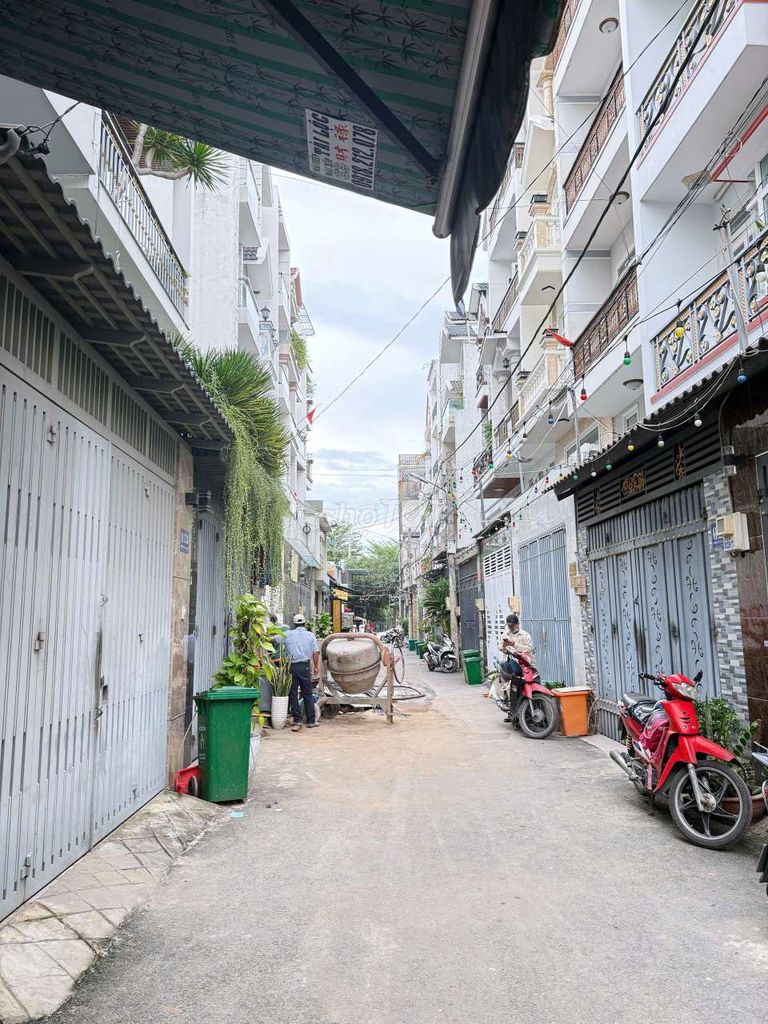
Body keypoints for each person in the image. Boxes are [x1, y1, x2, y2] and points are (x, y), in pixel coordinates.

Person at [280, 613, 321, 732]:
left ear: (294, 624)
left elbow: (275, 640)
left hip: (292, 667)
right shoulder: (310, 635)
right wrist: (316, 667)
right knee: (307, 693)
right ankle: (311, 721)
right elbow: (315, 652)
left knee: (292, 693)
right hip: (305, 667)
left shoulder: (287, 634)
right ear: (305, 623)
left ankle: (297, 720)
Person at [498, 614, 536, 721]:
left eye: (512, 625)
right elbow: (500, 647)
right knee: (511, 688)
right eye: (509, 626)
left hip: (525, 665)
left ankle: (529, 708)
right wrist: (504, 646)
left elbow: (529, 649)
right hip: (510, 665)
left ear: (517, 624)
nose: (510, 628)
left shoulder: (525, 635)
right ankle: (511, 711)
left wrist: (515, 644)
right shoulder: (505, 634)